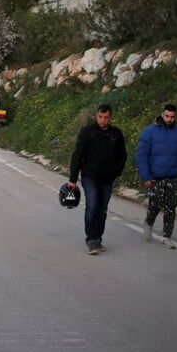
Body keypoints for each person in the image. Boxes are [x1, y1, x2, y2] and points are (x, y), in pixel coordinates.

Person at [68, 104, 127, 255]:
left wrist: (116, 173)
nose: (103, 120)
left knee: (102, 210)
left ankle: (98, 239)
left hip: (107, 178)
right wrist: (73, 179)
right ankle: (90, 239)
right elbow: (78, 155)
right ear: (96, 116)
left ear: (110, 117)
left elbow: (122, 156)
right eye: (100, 117)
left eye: (106, 117)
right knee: (92, 206)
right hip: (90, 176)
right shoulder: (87, 132)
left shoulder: (116, 134)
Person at [136, 104, 177, 249]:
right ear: (162, 114)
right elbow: (142, 156)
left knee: (171, 208)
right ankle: (149, 222)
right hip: (156, 177)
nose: (169, 119)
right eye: (167, 116)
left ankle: (167, 237)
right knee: (155, 205)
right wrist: (146, 176)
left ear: (175, 117)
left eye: (172, 117)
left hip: (175, 176)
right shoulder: (149, 132)